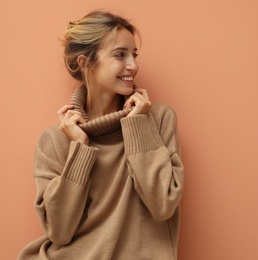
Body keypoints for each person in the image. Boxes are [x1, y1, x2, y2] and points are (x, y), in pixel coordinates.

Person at [18, 10, 184, 260]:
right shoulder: (55, 138)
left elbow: (163, 205)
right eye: (120, 55)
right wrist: (80, 148)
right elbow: (59, 232)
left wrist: (138, 125)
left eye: (134, 55)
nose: (134, 65)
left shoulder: (157, 119)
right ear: (86, 64)